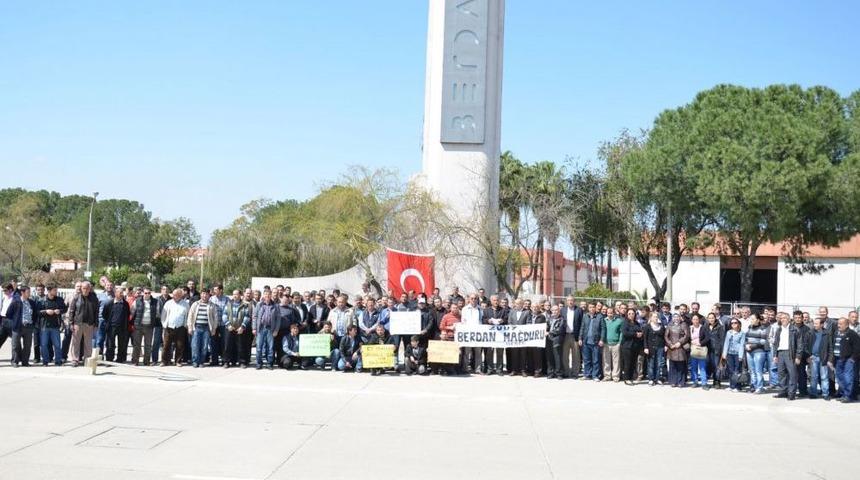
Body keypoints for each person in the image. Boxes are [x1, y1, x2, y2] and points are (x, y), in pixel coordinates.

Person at [67, 281, 100, 367]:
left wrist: (96, 324)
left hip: (89, 324)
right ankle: (75, 360)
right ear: (81, 289)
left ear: (90, 289)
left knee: (88, 343)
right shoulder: (76, 297)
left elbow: (96, 312)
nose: (85, 290)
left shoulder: (94, 298)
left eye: (87, 288)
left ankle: (87, 360)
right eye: (84, 288)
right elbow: (71, 311)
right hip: (77, 324)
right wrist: (71, 323)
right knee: (75, 343)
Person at [829, 317, 860, 403]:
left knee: (848, 378)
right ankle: (843, 394)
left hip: (848, 360)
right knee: (840, 378)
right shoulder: (836, 333)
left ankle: (848, 396)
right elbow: (833, 346)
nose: (839, 325)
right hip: (838, 359)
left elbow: (857, 348)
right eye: (838, 323)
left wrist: (852, 359)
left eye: (841, 324)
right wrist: (831, 359)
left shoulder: (852, 334)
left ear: (846, 325)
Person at [773, 312, 803, 401]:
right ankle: (783, 391)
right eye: (781, 318)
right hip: (780, 353)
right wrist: (775, 355)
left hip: (791, 354)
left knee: (792, 374)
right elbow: (776, 343)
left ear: (789, 319)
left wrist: (798, 356)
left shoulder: (795, 329)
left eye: (785, 318)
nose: (783, 320)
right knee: (781, 374)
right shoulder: (779, 329)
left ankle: (791, 394)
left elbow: (800, 344)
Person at [6, 286, 38, 367]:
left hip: (28, 327)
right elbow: (9, 314)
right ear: (22, 293)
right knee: (15, 345)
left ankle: (25, 362)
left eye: (29, 292)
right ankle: (15, 361)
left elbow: (35, 314)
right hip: (17, 327)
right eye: (28, 292)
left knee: (27, 346)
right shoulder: (16, 301)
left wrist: (32, 324)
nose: (29, 294)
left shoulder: (31, 302)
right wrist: (15, 321)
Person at [187, 289, 219, 368]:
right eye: (203, 294)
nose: (205, 296)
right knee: (195, 345)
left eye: (206, 294)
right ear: (201, 295)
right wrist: (190, 327)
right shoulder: (195, 304)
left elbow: (215, 318)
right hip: (196, 327)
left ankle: (201, 361)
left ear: (209, 295)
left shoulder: (212, 305)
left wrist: (214, 328)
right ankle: (195, 361)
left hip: (206, 328)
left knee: (204, 346)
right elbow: (190, 316)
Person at [37, 285, 66, 366]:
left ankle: (58, 361)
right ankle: (45, 361)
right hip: (44, 326)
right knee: (43, 344)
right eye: (55, 290)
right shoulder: (42, 300)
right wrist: (46, 311)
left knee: (57, 345)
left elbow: (65, 308)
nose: (56, 292)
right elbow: (37, 312)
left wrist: (59, 311)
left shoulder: (59, 300)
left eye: (56, 290)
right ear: (49, 291)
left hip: (55, 326)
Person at [131, 287, 159, 366]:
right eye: (146, 293)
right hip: (138, 326)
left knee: (148, 345)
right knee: (137, 344)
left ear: (151, 293)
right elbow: (132, 312)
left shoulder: (155, 302)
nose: (147, 294)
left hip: (149, 326)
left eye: (149, 293)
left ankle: (146, 362)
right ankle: (135, 361)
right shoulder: (137, 301)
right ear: (143, 293)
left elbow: (157, 313)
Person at [222, 289, 251, 368]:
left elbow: (247, 316)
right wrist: (228, 325)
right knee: (227, 346)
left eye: (236, 294)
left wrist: (242, 326)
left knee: (241, 346)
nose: (235, 296)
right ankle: (226, 362)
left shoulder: (244, 305)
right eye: (233, 294)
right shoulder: (228, 304)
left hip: (240, 329)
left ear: (240, 295)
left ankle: (242, 362)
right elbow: (224, 315)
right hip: (229, 328)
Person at [253, 290, 281, 370]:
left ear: (271, 295)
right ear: (263, 295)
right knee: (259, 347)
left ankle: (269, 363)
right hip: (261, 328)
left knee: (270, 347)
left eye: (269, 294)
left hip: (270, 329)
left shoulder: (275, 305)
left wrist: (276, 330)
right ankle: (259, 363)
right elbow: (255, 317)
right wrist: (254, 328)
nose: (267, 296)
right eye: (266, 294)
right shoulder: (259, 304)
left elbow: (278, 319)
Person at [102, 287, 131, 363]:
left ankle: (120, 359)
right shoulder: (109, 303)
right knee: (110, 344)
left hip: (122, 327)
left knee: (121, 344)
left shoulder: (125, 304)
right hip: (111, 327)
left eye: (122, 293)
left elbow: (128, 314)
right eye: (120, 293)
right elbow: (104, 314)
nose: (122, 294)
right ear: (115, 293)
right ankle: (109, 359)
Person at [807, 317, 832, 400]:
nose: (814, 325)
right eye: (814, 323)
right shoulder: (810, 332)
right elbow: (806, 345)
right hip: (813, 357)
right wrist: (808, 355)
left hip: (823, 358)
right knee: (813, 376)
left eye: (816, 324)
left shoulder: (827, 333)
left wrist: (829, 359)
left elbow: (830, 347)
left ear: (822, 324)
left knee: (824, 377)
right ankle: (813, 393)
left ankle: (825, 394)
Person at [744, 313, 770, 394]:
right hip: (749, 352)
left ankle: (760, 387)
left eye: (753, 319)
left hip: (758, 352)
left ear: (758, 320)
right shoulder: (749, 327)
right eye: (750, 319)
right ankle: (754, 386)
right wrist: (746, 345)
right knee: (752, 370)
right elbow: (746, 339)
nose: (751, 320)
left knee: (758, 370)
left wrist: (752, 346)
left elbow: (763, 341)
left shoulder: (762, 328)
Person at [579, 301, 605, 381]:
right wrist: (580, 338)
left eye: (593, 307)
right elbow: (582, 328)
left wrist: (601, 339)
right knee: (586, 359)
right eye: (590, 307)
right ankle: (587, 374)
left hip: (596, 342)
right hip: (586, 341)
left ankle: (595, 376)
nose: (591, 309)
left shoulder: (600, 316)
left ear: (595, 308)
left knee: (596, 360)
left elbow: (603, 329)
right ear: (588, 308)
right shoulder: (585, 316)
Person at [483, 295, 507, 375]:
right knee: (489, 352)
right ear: (491, 301)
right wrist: (488, 321)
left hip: (500, 335)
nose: (496, 302)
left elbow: (506, 319)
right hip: (490, 335)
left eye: (497, 300)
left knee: (500, 353)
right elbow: (483, 319)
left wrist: (502, 321)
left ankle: (499, 370)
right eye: (494, 300)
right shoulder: (486, 310)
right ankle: (490, 369)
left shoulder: (503, 310)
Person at [664, 313, 689, 388]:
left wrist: (680, 342)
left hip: (680, 348)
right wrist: (670, 344)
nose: (676, 318)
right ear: (672, 318)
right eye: (674, 317)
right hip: (672, 348)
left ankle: (681, 382)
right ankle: (673, 381)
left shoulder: (684, 325)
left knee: (681, 366)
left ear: (680, 318)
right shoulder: (669, 325)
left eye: (677, 317)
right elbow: (666, 336)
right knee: (673, 366)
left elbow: (686, 335)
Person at [560, 296, 582, 379]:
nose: (570, 302)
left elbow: (581, 324)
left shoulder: (579, 310)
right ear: (566, 301)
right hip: (565, 335)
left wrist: (580, 337)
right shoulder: (563, 310)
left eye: (572, 300)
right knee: (565, 355)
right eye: (568, 300)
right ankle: (566, 372)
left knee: (576, 355)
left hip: (575, 335)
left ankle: (575, 373)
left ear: (574, 301)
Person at [507, 298, 530, 376]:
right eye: (516, 303)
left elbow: (528, 323)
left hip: (523, 336)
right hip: (514, 337)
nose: (517, 305)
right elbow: (509, 322)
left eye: (519, 303)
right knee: (514, 354)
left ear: (522, 304)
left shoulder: (527, 312)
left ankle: (523, 370)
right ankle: (514, 370)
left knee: (523, 354)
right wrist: (511, 326)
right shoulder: (511, 312)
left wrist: (522, 329)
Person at [722, 318, 746, 392]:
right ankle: (732, 385)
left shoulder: (742, 333)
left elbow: (742, 345)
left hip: (737, 353)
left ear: (738, 323)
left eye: (735, 323)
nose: (733, 324)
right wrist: (724, 354)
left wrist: (740, 356)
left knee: (737, 370)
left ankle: (738, 386)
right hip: (730, 353)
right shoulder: (729, 332)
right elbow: (726, 343)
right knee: (731, 370)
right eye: (732, 323)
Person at [621, 308, 643, 385]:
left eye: (632, 313)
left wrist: (640, 334)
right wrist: (635, 334)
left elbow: (640, 331)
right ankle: (626, 379)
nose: (631, 315)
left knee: (633, 363)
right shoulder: (625, 323)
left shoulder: (637, 323)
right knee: (627, 363)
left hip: (635, 346)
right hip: (627, 346)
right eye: (629, 313)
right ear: (627, 314)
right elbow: (625, 333)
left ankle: (630, 377)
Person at [602, 306, 624, 382]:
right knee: (606, 361)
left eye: (611, 313)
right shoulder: (604, 320)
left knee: (616, 361)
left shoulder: (619, 321)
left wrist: (619, 342)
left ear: (614, 313)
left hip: (616, 344)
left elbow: (621, 332)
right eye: (608, 313)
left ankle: (616, 376)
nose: (610, 314)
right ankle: (607, 376)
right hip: (606, 343)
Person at [688, 313, 710, 389]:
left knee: (702, 367)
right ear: (692, 320)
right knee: (693, 367)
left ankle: (704, 383)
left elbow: (707, 338)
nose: (695, 321)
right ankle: (695, 382)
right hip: (693, 349)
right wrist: (690, 342)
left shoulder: (703, 328)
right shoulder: (690, 328)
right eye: (694, 319)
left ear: (699, 320)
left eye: (697, 319)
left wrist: (700, 343)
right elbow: (687, 338)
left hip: (701, 349)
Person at [643, 312, 666, 386]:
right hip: (651, 348)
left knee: (659, 364)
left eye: (657, 317)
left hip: (660, 347)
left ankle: (657, 378)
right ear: (651, 318)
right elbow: (645, 338)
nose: (656, 318)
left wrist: (665, 345)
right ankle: (651, 379)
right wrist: (646, 347)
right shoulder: (647, 326)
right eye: (654, 317)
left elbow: (664, 337)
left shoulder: (661, 326)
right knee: (651, 364)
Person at [704, 312, 725, 389]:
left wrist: (722, 350)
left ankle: (717, 382)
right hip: (707, 350)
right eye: (709, 318)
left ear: (715, 318)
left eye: (712, 318)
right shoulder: (705, 327)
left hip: (716, 350)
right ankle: (706, 381)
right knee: (708, 365)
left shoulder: (720, 327)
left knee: (716, 366)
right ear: (707, 319)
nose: (711, 319)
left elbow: (722, 339)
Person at [545, 304, 565, 379]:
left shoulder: (562, 319)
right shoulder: (549, 319)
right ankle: (550, 372)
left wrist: (549, 332)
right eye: (553, 310)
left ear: (559, 311)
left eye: (556, 310)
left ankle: (559, 373)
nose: (554, 311)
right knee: (550, 357)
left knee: (557, 357)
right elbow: (546, 327)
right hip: (549, 340)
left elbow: (559, 330)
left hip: (557, 341)